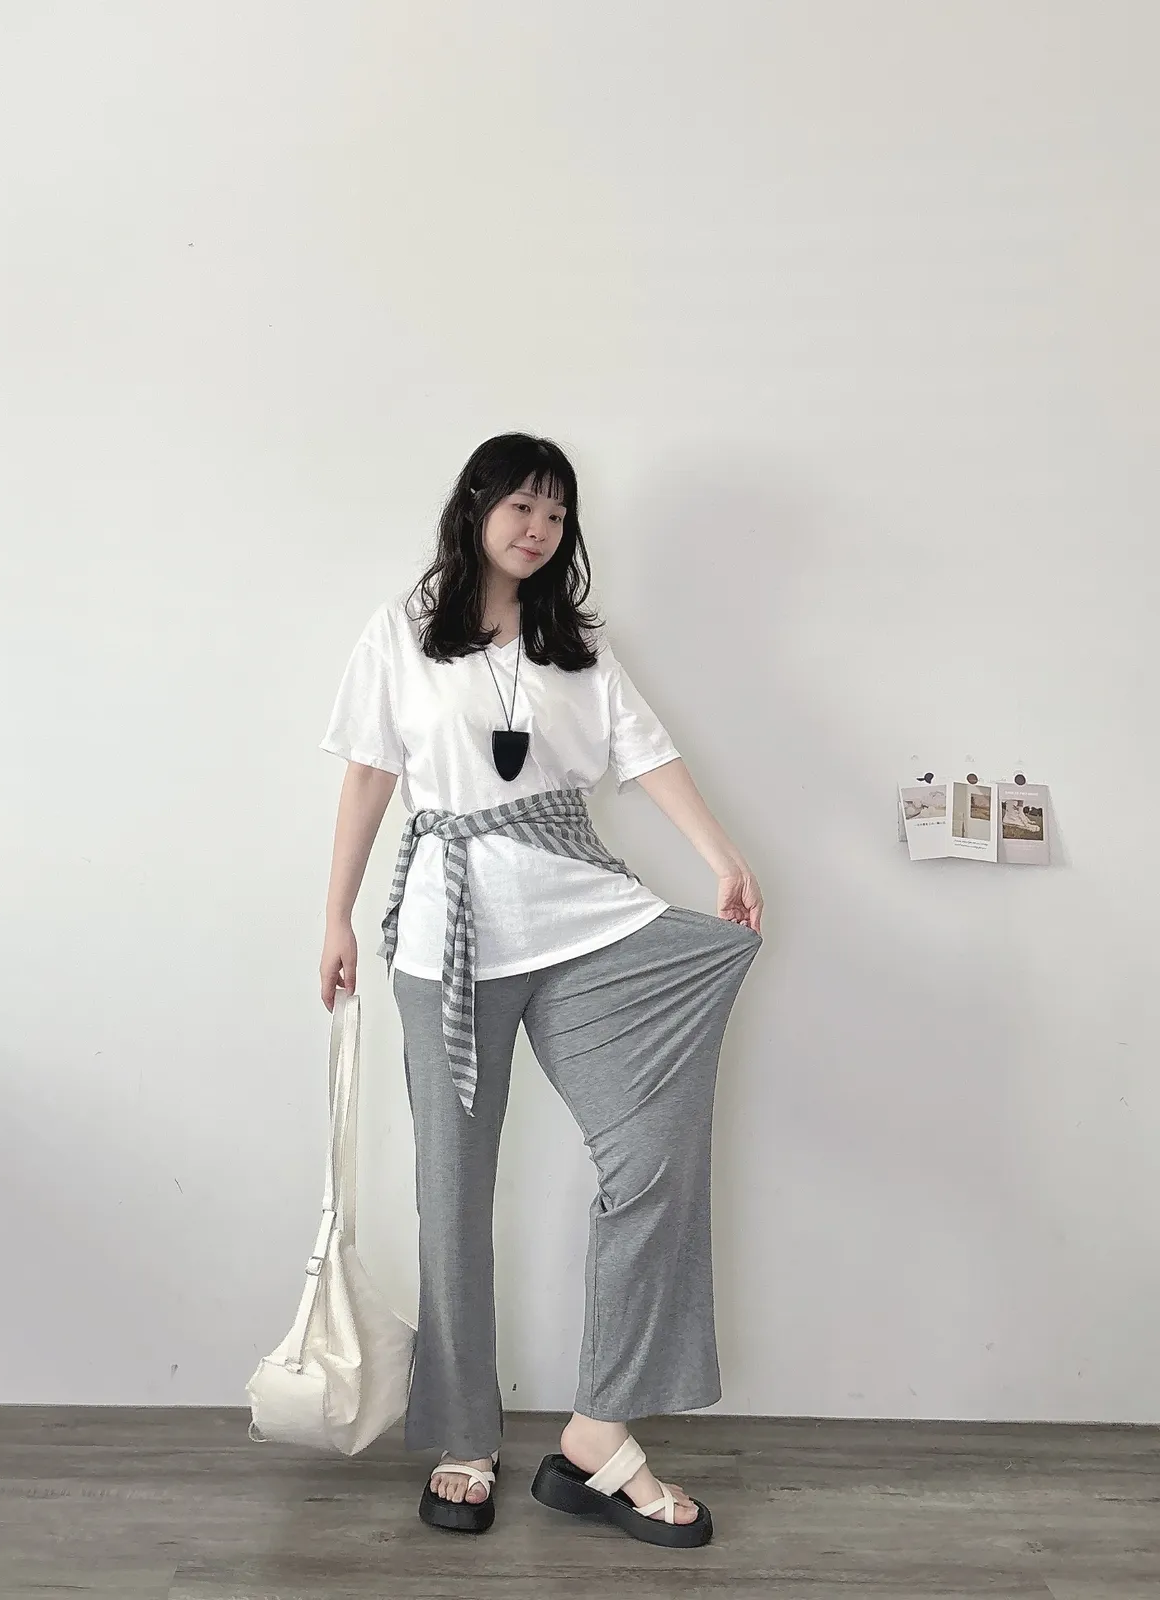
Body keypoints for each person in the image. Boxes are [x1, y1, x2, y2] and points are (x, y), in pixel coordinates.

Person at [317, 432, 764, 1548]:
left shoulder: (580, 646)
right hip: (446, 941)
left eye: (557, 516)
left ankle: (598, 1430)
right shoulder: (401, 633)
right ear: (475, 508)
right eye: (521, 505)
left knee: (652, 1158)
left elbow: (646, 755)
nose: (538, 529)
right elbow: (369, 775)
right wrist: (335, 915)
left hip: (580, 922)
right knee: (453, 1194)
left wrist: (721, 857)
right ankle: (464, 1438)